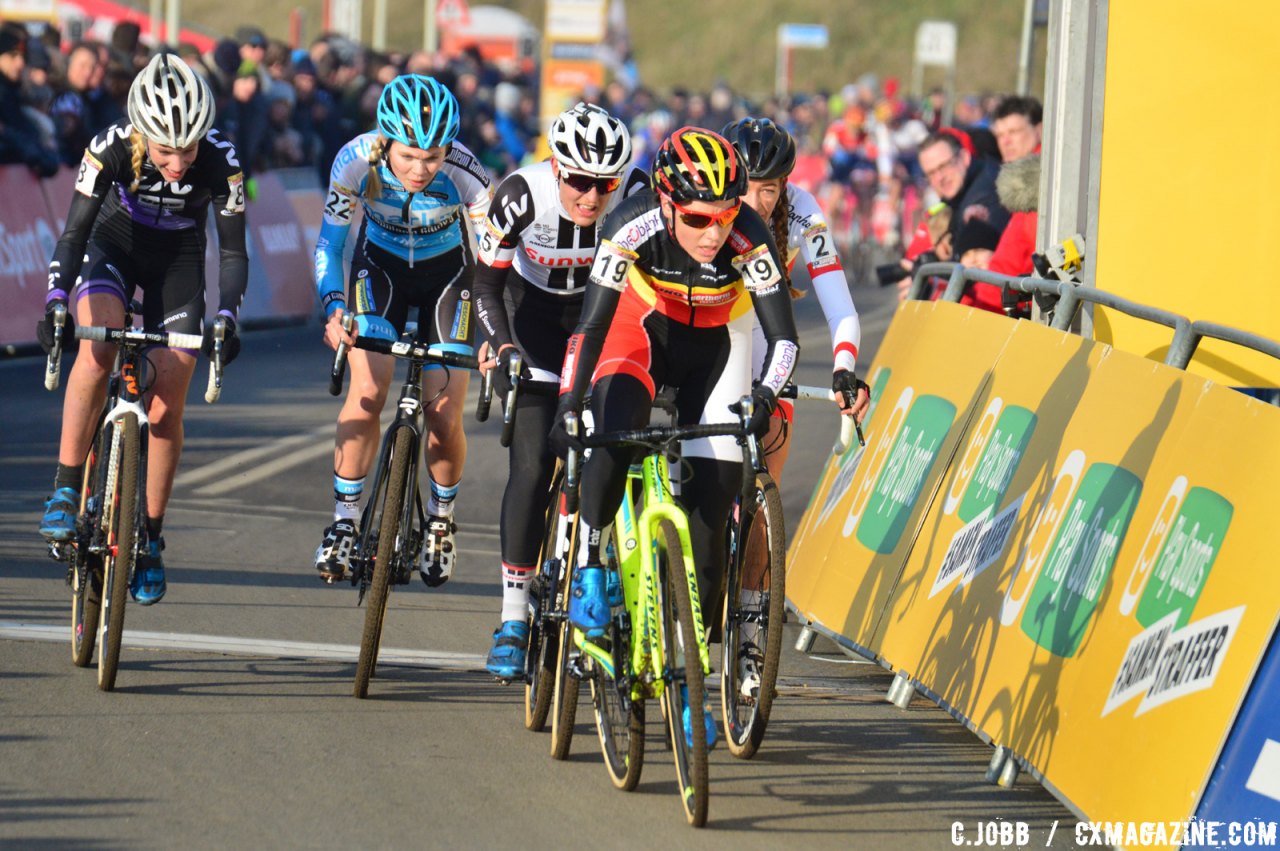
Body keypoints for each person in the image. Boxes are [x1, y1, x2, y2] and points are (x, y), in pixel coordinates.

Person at [548, 127, 801, 745]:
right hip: (642, 334)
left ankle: (691, 679)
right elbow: (589, 325)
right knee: (610, 442)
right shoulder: (630, 226)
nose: (715, 234)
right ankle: (589, 570)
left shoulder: (751, 236)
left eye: (725, 216)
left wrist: (765, 396)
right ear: (665, 204)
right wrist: (567, 405)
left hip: (718, 345)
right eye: (697, 219)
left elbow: (787, 339)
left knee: (713, 526)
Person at [36, 54, 248, 605]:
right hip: (113, 247)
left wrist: (227, 316)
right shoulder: (108, 147)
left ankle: (150, 536)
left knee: (167, 405)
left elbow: (232, 252)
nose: (178, 163)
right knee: (96, 350)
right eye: (164, 150)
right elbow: (73, 234)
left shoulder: (222, 161)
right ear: (141, 134)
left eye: (188, 148)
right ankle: (64, 488)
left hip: (177, 263)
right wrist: (56, 301)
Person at [472, 102, 648, 679]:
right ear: (556, 167)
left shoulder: (637, 196)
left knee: (611, 447)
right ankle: (514, 617)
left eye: (604, 185)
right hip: (532, 321)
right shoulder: (522, 195)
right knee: (532, 466)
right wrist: (501, 349)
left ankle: (598, 572)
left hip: (601, 322)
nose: (592, 197)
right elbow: (485, 285)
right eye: (578, 181)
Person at [312, 74, 494, 587]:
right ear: (386, 140)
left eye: (432, 157)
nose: (419, 169)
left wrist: (491, 334)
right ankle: (344, 524)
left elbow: (493, 262)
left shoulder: (468, 176)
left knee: (443, 414)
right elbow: (330, 245)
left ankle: (440, 519)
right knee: (367, 392)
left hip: (449, 278)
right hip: (381, 270)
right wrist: (334, 310)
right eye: (409, 156)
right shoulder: (354, 161)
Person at [722, 117, 870, 482]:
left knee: (770, 461)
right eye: (745, 188)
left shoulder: (804, 211)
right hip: (710, 323)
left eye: (768, 190)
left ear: (784, 186)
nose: (755, 204)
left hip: (759, 323)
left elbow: (841, 309)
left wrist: (843, 369)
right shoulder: (708, 198)